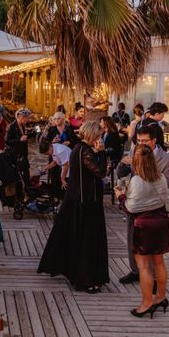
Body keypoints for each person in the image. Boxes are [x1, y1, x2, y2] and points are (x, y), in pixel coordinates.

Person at [38, 121, 109, 293]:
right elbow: (100, 171)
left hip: (81, 200)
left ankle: (85, 276)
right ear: (92, 135)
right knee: (85, 241)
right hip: (84, 203)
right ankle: (84, 279)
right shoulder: (85, 151)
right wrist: (102, 152)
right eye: (98, 136)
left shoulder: (80, 149)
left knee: (82, 239)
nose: (100, 139)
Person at [115, 145, 169, 318]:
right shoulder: (160, 177)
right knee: (159, 262)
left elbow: (130, 208)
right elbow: (165, 198)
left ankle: (146, 303)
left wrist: (121, 197)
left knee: (144, 266)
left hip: (144, 224)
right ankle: (160, 296)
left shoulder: (137, 181)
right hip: (161, 220)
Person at [118, 125, 169, 284]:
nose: (141, 144)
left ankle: (153, 282)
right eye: (138, 141)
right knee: (131, 241)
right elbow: (120, 174)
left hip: (152, 209)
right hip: (134, 203)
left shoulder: (168, 160)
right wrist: (123, 165)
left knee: (155, 254)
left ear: (154, 140)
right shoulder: (134, 152)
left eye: (145, 141)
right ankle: (135, 271)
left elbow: (166, 184)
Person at [5, 108, 32, 189]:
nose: (28, 119)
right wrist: (19, 139)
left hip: (23, 154)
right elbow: (7, 141)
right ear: (21, 117)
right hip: (16, 155)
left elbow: (25, 137)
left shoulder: (23, 126)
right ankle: (21, 192)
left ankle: (28, 190)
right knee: (19, 175)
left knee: (26, 173)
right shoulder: (11, 126)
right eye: (27, 118)